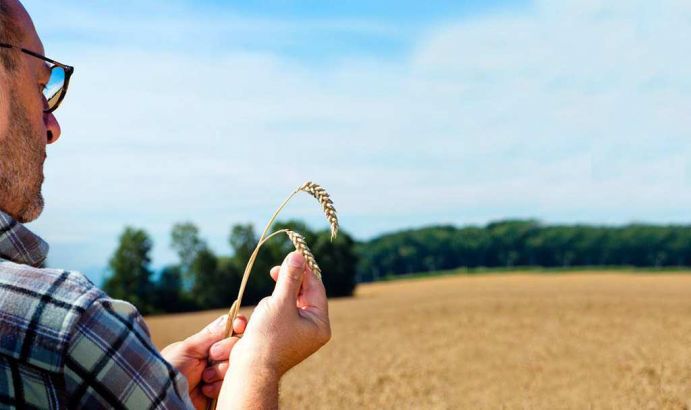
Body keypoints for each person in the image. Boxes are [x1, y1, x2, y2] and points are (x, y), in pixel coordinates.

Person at [0, 1, 331, 408]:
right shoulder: (70, 327)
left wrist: (150, 383)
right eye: (40, 87)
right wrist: (260, 364)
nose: (52, 127)